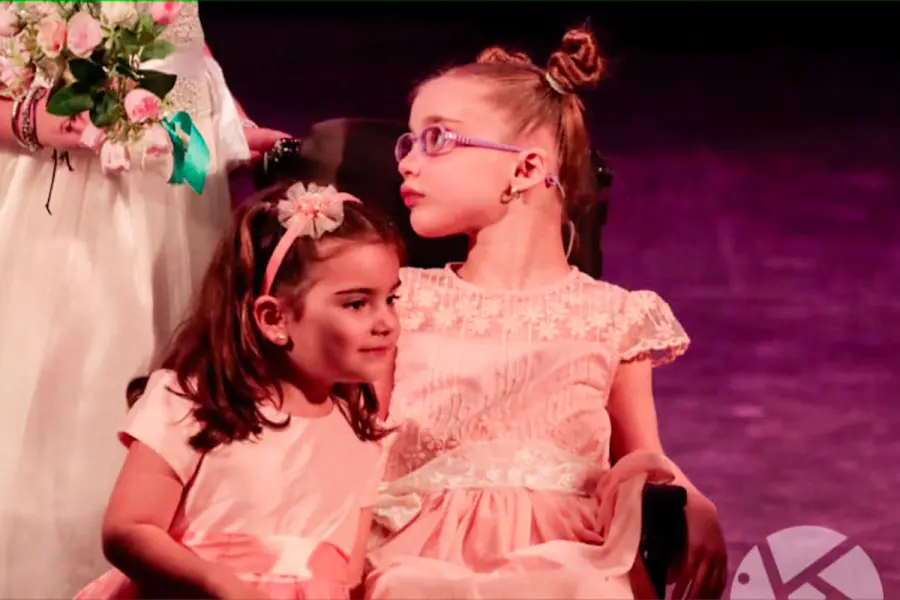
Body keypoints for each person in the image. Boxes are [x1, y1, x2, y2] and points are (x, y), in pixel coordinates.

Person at [364, 24, 728, 600]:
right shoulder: (401, 300)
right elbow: (362, 440)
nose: (408, 163)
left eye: (436, 139)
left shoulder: (610, 317)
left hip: (570, 555)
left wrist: (694, 501)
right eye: (407, 143)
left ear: (526, 169)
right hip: (417, 552)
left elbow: (643, 453)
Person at [0, 3, 288, 596]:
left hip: (165, 186)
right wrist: (31, 119)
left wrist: (230, 125)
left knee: (167, 362)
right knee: (67, 380)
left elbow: (182, 41)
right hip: (59, 197)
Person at [75, 180, 401, 599]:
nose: (386, 322)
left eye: (391, 299)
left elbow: (347, 574)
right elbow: (128, 529)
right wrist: (216, 583)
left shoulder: (361, 436)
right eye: (356, 303)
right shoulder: (193, 403)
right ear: (274, 319)